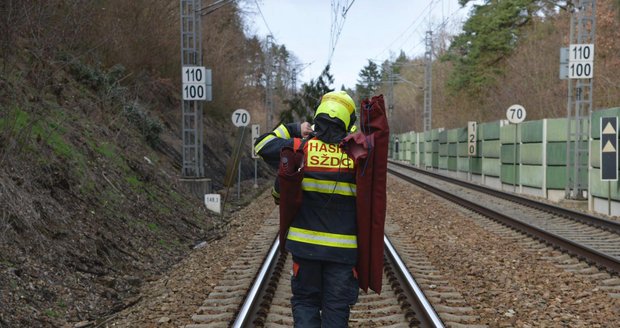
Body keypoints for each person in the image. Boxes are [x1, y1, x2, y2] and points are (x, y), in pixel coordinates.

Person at [254, 90, 359, 327]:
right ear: (349, 122)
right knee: (336, 307)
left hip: (306, 248)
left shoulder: (301, 148)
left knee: (306, 302)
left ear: (318, 115)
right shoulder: (357, 156)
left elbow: (261, 144)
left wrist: (293, 128)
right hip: (343, 252)